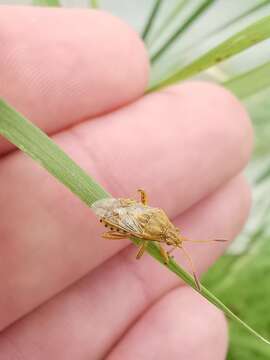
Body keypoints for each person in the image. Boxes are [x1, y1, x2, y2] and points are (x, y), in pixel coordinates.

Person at [0, 5, 253, 359]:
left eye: (174, 241)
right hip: (122, 214)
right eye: (174, 240)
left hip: (125, 210)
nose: (175, 241)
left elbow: (146, 228)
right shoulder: (156, 233)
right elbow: (143, 247)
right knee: (122, 229)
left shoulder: (160, 225)